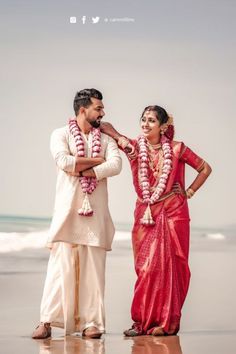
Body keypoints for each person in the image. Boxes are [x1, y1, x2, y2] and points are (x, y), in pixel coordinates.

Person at [100, 105, 212, 336]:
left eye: (151, 120)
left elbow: (205, 168)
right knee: (146, 268)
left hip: (174, 212)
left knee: (172, 267)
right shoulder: (134, 148)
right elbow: (107, 128)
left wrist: (188, 191)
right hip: (145, 213)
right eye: (143, 119)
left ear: (163, 127)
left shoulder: (178, 148)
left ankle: (166, 322)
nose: (145, 124)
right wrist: (110, 132)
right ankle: (141, 321)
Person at [32, 88, 122, 339]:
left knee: (94, 271)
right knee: (59, 269)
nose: (103, 113)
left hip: (96, 215)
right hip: (66, 212)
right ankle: (47, 321)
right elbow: (64, 162)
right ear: (83, 110)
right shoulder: (59, 134)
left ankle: (91, 323)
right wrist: (96, 161)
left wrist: (85, 167)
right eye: (98, 108)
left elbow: (116, 165)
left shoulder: (105, 139)